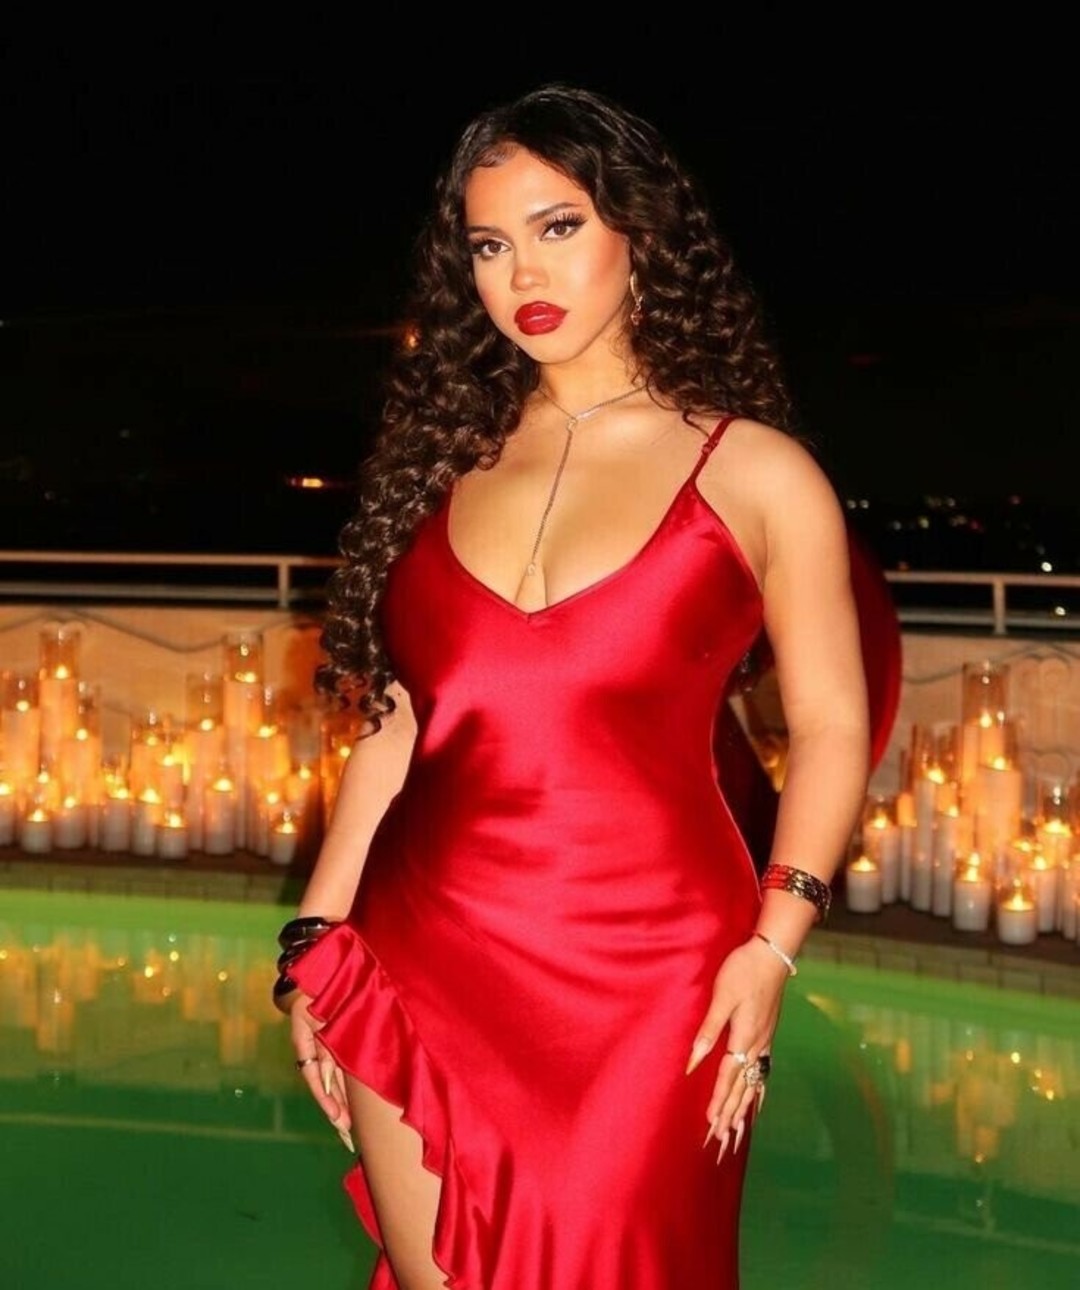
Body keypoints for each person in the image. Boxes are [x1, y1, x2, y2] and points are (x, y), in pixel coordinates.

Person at [274, 82, 871, 1290]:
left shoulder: (755, 473)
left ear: (640, 232)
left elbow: (830, 723)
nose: (521, 274)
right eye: (488, 245)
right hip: (421, 949)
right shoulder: (441, 467)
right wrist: (316, 943)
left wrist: (774, 944)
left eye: (558, 227)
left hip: (658, 978)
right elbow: (400, 725)